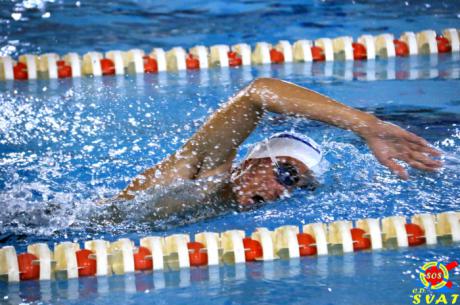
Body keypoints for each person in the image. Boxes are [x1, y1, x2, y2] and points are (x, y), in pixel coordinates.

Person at [108, 78, 441, 220]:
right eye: (285, 171)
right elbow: (259, 92)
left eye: (293, 185)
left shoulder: (221, 208)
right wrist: (365, 125)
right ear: (253, 161)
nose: (281, 190)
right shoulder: (202, 172)